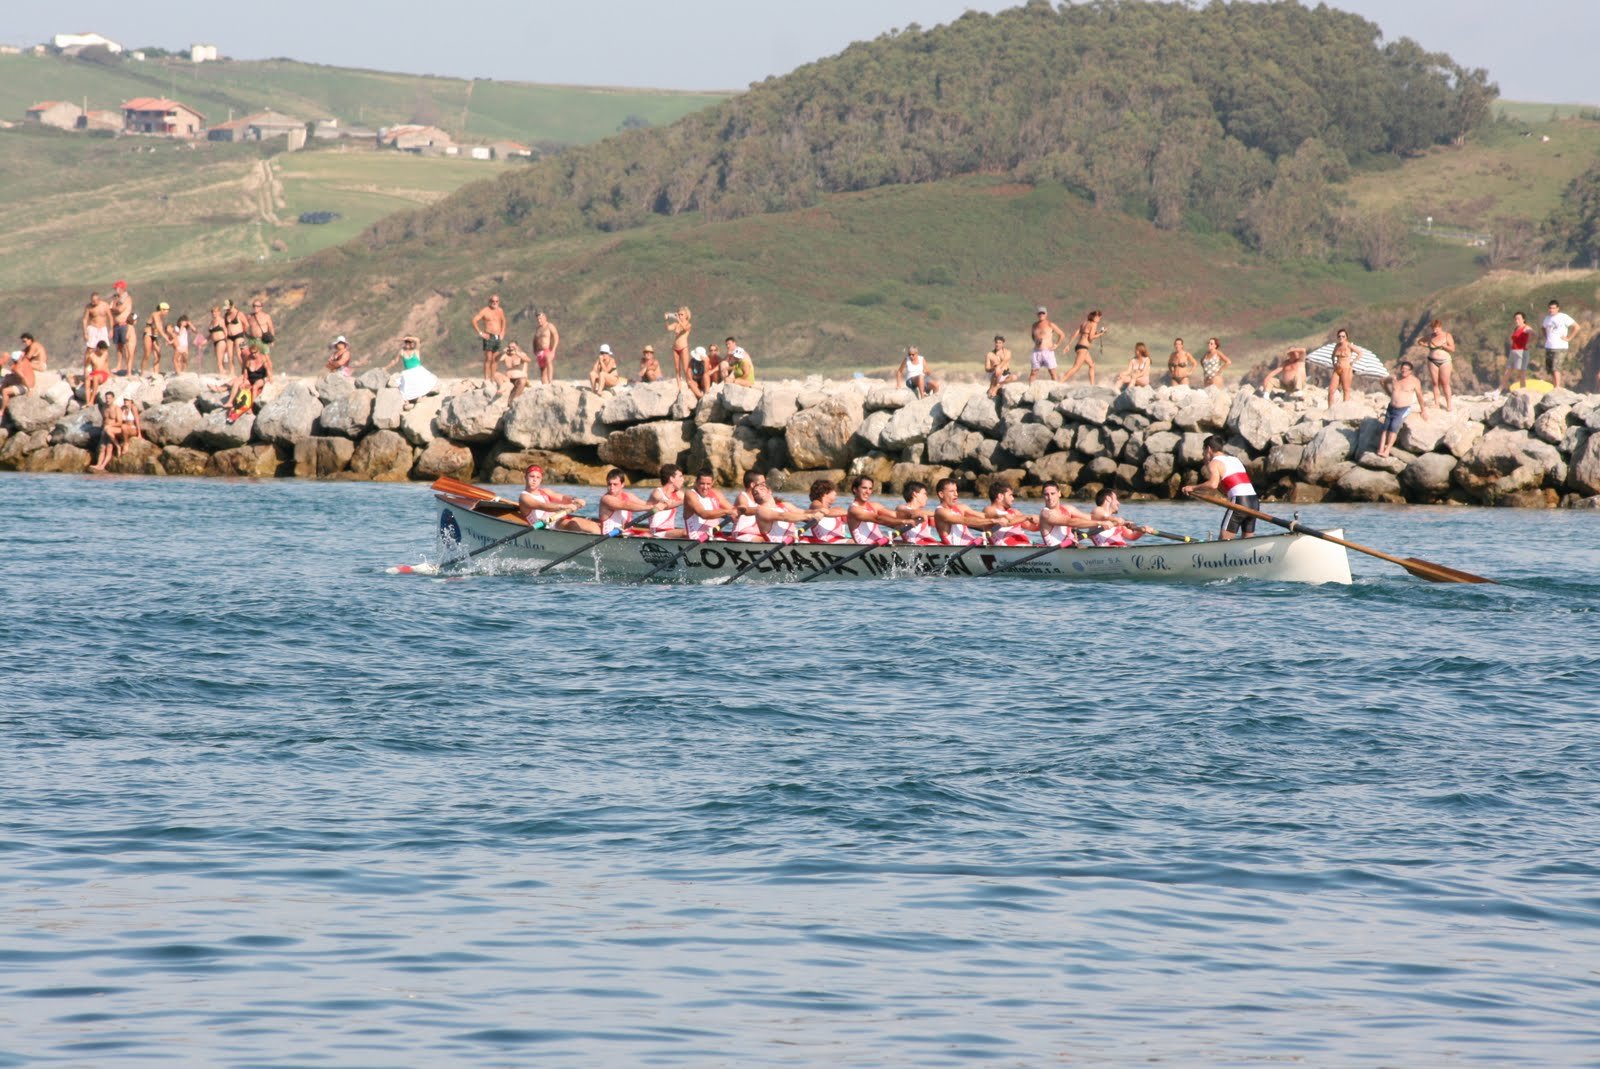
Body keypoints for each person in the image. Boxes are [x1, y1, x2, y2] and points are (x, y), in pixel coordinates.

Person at [1182, 435, 1259, 539]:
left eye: (1203, 451)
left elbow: (1213, 484)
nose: (1203, 455)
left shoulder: (1214, 463)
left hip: (1240, 501)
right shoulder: (1235, 459)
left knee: (1224, 540)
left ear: (1208, 449)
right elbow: (1225, 485)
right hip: (1254, 501)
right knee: (1248, 541)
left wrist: (1192, 488)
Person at [517, 464, 600, 534]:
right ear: (525, 477)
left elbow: (562, 498)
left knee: (593, 526)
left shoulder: (545, 491)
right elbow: (544, 506)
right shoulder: (524, 497)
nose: (534, 480)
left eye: (538, 477)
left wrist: (574, 500)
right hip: (546, 526)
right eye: (532, 476)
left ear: (541, 480)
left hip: (557, 520)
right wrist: (564, 507)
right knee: (574, 525)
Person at [933, 477, 1010, 546]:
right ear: (941, 494)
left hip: (970, 544)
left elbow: (984, 516)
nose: (956, 494)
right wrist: (994, 521)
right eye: (951, 491)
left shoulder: (961, 507)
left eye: (956, 491)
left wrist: (1001, 515)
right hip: (954, 549)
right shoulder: (941, 512)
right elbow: (965, 520)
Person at [1376, 360, 1427, 458]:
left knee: (1393, 428)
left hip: (1403, 409)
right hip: (1391, 407)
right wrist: (1389, 392)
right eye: (1402, 369)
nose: (1404, 371)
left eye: (1406, 370)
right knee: (1385, 429)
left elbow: (1420, 396)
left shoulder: (1414, 381)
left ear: (1410, 371)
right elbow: (1382, 381)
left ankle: (1387, 450)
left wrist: (1423, 410)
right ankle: (1381, 448)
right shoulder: (1394, 378)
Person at [1037, 480, 1103, 546]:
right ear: (1043, 496)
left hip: (1070, 549)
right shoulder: (1045, 514)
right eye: (1046, 494)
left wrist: (1111, 520)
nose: (1050, 498)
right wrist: (1100, 523)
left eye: (1052, 493)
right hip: (1055, 553)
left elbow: (1091, 517)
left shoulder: (1068, 509)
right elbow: (1070, 522)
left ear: (1059, 493)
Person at [749, 479, 818, 542]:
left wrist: (823, 512)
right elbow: (782, 516)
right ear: (755, 499)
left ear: (769, 491)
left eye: (761, 489)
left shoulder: (785, 505)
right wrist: (809, 516)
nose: (758, 492)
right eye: (755, 493)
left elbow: (804, 512)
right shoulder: (760, 511)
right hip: (778, 544)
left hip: (794, 540)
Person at [846, 475, 906, 544]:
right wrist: (904, 521)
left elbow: (896, 514)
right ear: (855, 489)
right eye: (864, 488)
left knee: (908, 543)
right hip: (864, 546)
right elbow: (878, 519)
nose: (868, 492)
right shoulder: (854, 509)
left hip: (878, 543)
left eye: (870, 489)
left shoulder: (874, 506)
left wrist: (913, 515)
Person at [683, 470, 740, 540]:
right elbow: (703, 514)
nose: (705, 487)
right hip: (698, 537)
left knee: (739, 539)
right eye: (702, 483)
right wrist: (727, 512)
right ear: (696, 482)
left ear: (712, 483)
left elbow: (733, 509)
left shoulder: (715, 493)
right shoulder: (690, 494)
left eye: (708, 484)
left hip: (714, 535)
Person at [382, 335, 437, 406]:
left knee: (418, 380)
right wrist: (386, 368)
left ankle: (418, 396)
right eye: (406, 342)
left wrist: (407, 338)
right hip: (408, 372)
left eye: (410, 342)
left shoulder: (416, 350)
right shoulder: (402, 351)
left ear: (412, 343)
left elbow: (417, 340)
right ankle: (406, 400)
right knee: (405, 382)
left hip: (417, 370)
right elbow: (394, 361)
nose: (408, 344)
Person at [599, 469, 657, 535]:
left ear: (622, 484)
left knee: (647, 535)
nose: (611, 487)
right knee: (645, 535)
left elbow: (647, 504)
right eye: (609, 484)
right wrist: (650, 508)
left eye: (615, 484)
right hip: (611, 536)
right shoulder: (606, 499)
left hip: (627, 534)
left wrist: (664, 504)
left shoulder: (629, 496)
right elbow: (625, 505)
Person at [982, 479, 1037, 546]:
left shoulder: (1015, 512)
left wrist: (1045, 521)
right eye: (1010, 495)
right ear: (1000, 496)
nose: (1013, 498)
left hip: (1025, 545)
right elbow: (1008, 521)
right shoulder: (988, 510)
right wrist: (1026, 517)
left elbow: (1032, 527)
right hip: (1006, 548)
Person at [1542, 299, 1582, 390]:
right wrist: (1546, 336)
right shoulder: (1547, 318)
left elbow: (1577, 327)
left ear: (1558, 308)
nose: (1551, 310)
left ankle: (1558, 387)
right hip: (1549, 346)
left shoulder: (1563, 317)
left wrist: (1569, 338)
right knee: (1550, 368)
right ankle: (1554, 386)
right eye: (1550, 308)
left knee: (1556, 367)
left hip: (1560, 346)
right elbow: (1543, 328)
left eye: (1553, 308)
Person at [1420, 319, 1455, 412]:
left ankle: (1449, 405)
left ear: (1440, 327)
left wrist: (1444, 347)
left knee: (1445, 383)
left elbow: (1452, 349)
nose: (1435, 331)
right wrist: (1426, 345)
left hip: (1445, 361)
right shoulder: (1430, 336)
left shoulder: (1447, 335)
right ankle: (1437, 403)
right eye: (1433, 329)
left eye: (1436, 329)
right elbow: (1420, 341)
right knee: (1435, 383)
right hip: (1432, 360)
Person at [471, 294, 507, 382]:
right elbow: (474, 320)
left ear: (499, 302)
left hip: (497, 336)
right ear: (489, 302)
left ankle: (492, 378)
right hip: (488, 336)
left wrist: (502, 332)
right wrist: (480, 333)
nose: (494, 303)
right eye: (493, 301)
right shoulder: (485, 311)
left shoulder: (500, 310)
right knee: (488, 358)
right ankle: (486, 378)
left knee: (495, 359)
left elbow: (503, 321)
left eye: (496, 301)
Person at [1062, 309, 1105, 384]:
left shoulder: (1084, 323)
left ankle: (1092, 385)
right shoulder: (1094, 324)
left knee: (1092, 365)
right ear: (1094, 317)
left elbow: (1076, 333)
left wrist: (1068, 345)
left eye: (1099, 318)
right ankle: (1060, 381)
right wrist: (1101, 334)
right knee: (1076, 367)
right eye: (1098, 317)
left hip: (1079, 346)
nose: (1099, 319)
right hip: (1083, 348)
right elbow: (1091, 338)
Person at [646, 463, 687, 538]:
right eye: (680, 476)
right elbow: (668, 505)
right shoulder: (657, 493)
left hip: (669, 532)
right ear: (671, 478)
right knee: (685, 532)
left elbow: (693, 502)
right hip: (657, 532)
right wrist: (686, 501)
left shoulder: (678, 494)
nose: (683, 479)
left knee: (692, 532)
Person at [90, 390, 125, 471]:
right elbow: (104, 419)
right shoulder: (104, 407)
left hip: (113, 429)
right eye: (106, 398)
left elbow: (120, 422)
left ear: (113, 399)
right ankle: (98, 464)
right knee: (102, 447)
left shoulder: (117, 408)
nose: (107, 400)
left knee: (109, 447)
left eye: (109, 398)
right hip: (105, 429)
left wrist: (110, 425)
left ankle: (103, 465)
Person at [0, 350, 36, 422]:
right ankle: (4, 401)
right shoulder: (25, 360)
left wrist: (30, 389)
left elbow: (23, 378)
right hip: (30, 381)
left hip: (26, 385)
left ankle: (2, 410)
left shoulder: (16, 368)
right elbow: (23, 353)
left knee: (5, 391)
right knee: (7, 378)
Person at [109, 280, 136, 375]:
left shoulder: (127, 298)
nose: (116, 290)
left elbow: (120, 309)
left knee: (126, 347)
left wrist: (113, 308)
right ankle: (119, 365)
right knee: (119, 347)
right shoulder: (115, 299)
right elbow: (110, 311)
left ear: (121, 288)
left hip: (124, 324)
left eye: (117, 288)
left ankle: (128, 367)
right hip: (116, 325)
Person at [1504, 311, 1532, 394]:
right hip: (1514, 351)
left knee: (1521, 373)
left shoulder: (1526, 328)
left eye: (1519, 318)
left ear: (1523, 319)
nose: (1517, 320)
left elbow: (1533, 334)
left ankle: (1523, 391)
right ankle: (1498, 390)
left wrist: (1528, 343)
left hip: (1522, 352)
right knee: (1507, 372)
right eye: (1515, 319)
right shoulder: (1516, 328)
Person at [1327, 328, 1355, 407]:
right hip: (1337, 369)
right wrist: (1334, 363)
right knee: (1331, 390)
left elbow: (1360, 353)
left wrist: (1353, 362)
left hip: (1346, 369)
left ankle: (1345, 409)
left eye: (1343, 336)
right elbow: (1332, 355)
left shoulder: (1349, 345)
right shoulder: (1337, 346)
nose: (1341, 338)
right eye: (1339, 336)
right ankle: (1330, 409)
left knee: (1346, 390)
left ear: (1346, 337)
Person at [141, 302, 170, 375]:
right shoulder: (155, 314)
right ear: (162, 309)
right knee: (147, 354)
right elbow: (158, 327)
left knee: (158, 354)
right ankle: (142, 373)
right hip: (148, 334)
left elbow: (160, 329)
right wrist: (166, 338)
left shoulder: (161, 318)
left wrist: (166, 338)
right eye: (166, 310)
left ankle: (156, 372)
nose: (167, 312)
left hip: (154, 336)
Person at [532, 310, 560, 386]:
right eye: (538, 319)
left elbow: (556, 336)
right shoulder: (538, 329)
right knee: (542, 370)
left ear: (545, 318)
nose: (539, 320)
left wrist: (553, 350)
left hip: (547, 350)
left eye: (540, 318)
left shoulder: (549, 326)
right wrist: (534, 349)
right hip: (539, 352)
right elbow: (534, 340)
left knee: (548, 362)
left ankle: (550, 381)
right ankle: (545, 386)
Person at [665, 307, 691, 387]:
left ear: (686, 315)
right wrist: (666, 319)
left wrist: (678, 319)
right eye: (678, 314)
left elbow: (684, 328)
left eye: (681, 315)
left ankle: (689, 383)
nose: (679, 316)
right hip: (675, 348)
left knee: (686, 368)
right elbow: (668, 328)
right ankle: (679, 386)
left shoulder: (688, 324)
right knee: (677, 369)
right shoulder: (676, 324)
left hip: (683, 347)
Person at [82, 341, 112, 407]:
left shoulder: (105, 354)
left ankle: (92, 401)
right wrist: (87, 374)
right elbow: (86, 366)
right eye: (102, 350)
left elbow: (106, 363)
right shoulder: (91, 356)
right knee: (87, 380)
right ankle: (87, 402)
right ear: (98, 348)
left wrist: (109, 372)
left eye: (104, 350)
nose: (103, 352)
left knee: (96, 377)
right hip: (94, 373)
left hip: (103, 374)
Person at [222, 299, 248, 373]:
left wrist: (242, 332)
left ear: (232, 306)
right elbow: (226, 326)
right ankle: (232, 372)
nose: (227, 310)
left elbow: (246, 324)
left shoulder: (239, 314)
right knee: (230, 356)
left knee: (240, 354)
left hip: (239, 336)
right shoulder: (226, 315)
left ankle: (244, 371)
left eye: (228, 308)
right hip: (230, 337)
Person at [82, 291, 112, 355]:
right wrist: (85, 333)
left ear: (98, 299)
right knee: (90, 349)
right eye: (92, 300)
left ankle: (104, 364)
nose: (93, 302)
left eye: (94, 300)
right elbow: (85, 319)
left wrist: (111, 330)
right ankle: (88, 365)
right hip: (93, 328)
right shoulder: (89, 307)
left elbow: (110, 318)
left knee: (104, 348)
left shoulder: (105, 305)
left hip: (102, 328)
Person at [208, 305, 230, 375]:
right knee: (220, 359)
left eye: (215, 311)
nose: (214, 313)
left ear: (219, 312)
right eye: (213, 312)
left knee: (219, 360)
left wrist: (227, 343)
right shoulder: (211, 322)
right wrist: (203, 341)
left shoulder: (221, 320)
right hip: (215, 342)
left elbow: (226, 331)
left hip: (221, 341)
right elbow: (210, 334)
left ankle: (222, 372)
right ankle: (224, 372)